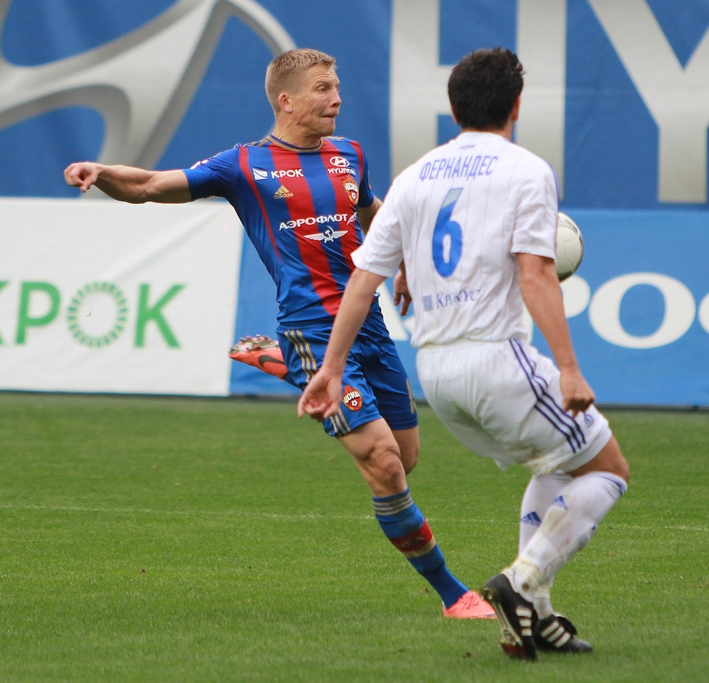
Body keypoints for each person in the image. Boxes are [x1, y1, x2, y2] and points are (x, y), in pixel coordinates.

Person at [63, 48, 494, 620]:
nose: (336, 99)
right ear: (286, 100)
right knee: (384, 463)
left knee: (407, 455)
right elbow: (148, 185)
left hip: (367, 325)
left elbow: (373, 214)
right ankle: (454, 594)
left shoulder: (349, 155)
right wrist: (102, 172)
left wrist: (408, 264)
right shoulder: (244, 165)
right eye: (323, 89)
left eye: (336, 87)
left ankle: (285, 363)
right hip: (311, 328)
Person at [297, 47, 631, 660]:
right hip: (497, 360)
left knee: (555, 465)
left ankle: (534, 617)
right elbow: (535, 274)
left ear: (453, 110)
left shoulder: (415, 177)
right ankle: (522, 582)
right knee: (608, 469)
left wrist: (331, 368)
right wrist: (568, 368)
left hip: (437, 374)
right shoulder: (526, 170)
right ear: (517, 106)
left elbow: (364, 280)